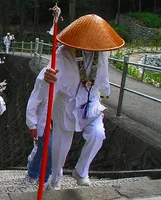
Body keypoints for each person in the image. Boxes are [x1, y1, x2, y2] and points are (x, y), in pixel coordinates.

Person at [42, 14, 125, 190]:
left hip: (91, 101)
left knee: (98, 134)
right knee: (61, 148)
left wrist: (106, 90)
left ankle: (81, 171)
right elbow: (50, 75)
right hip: (67, 103)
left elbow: (103, 73)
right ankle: (55, 179)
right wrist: (48, 79)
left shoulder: (101, 53)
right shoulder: (63, 53)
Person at [26, 67, 52, 184]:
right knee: (47, 149)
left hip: (60, 119)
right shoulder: (45, 76)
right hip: (45, 120)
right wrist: (32, 124)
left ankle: (35, 171)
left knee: (44, 149)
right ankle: (42, 176)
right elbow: (34, 100)